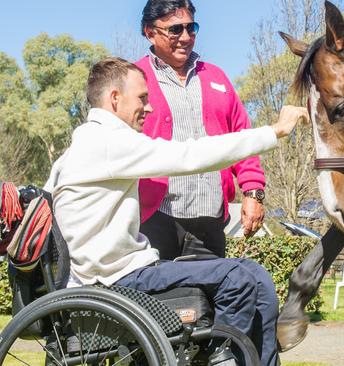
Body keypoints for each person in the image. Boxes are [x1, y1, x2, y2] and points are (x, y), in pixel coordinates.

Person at [44, 57, 307, 366]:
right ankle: (222, 359)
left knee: (256, 275)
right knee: (237, 277)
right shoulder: (108, 142)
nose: (149, 107)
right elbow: (190, 155)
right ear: (115, 99)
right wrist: (274, 132)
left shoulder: (84, 146)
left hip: (121, 272)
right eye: (142, 98)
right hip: (117, 280)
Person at [136, 0, 266, 260]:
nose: (185, 37)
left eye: (191, 28)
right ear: (150, 32)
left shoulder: (216, 77)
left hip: (210, 218)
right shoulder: (135, 77)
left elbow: (243, 139)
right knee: (154, 299)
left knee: (206, 298)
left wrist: (253, 192)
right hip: (154, 217)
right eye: (175, 30)